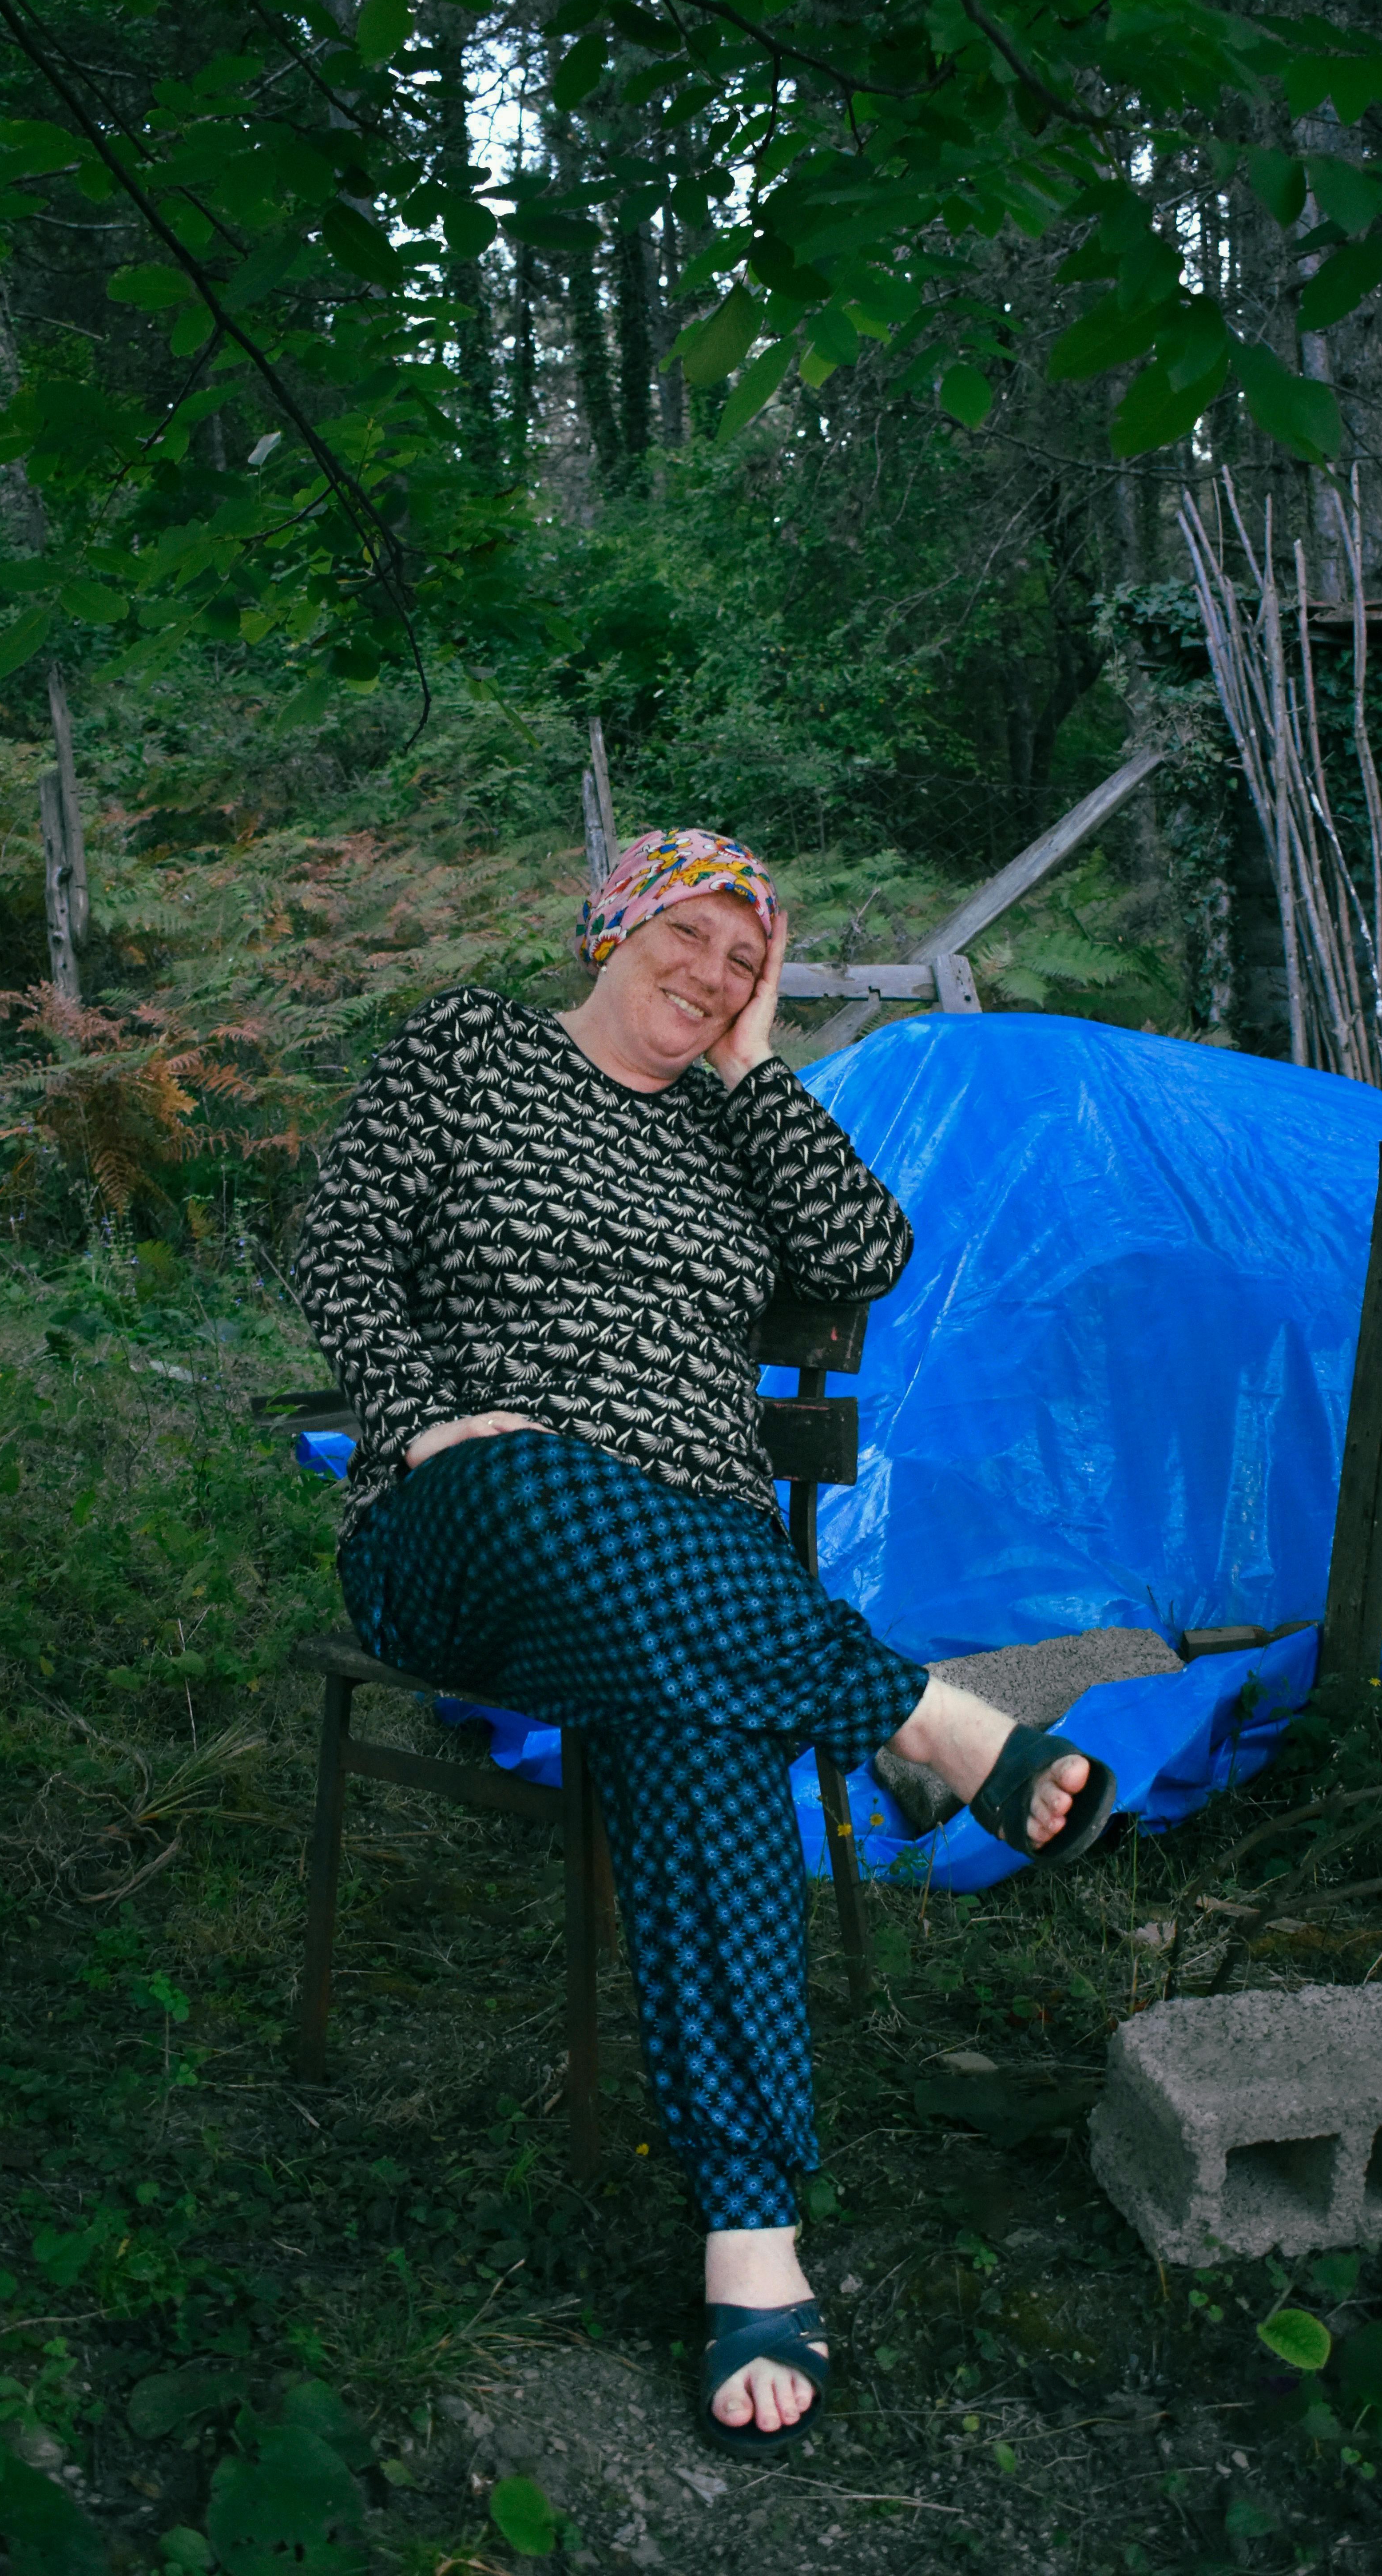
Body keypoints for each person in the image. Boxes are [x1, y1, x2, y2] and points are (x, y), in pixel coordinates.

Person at [293, 826, 1113, 2456]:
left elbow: (866, 1253)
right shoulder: (469, 1048)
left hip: (694, 1590)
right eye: (691, 939)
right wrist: (426, 1425)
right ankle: (922, 1722)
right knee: (549, 1476)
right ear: (612, 928)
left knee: (704, 1720)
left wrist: (751, 1067)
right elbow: (340, 1252)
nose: (715, 976)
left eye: (748, 964)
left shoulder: (728, 1128)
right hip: (473, 1528)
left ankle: (754, 2234)